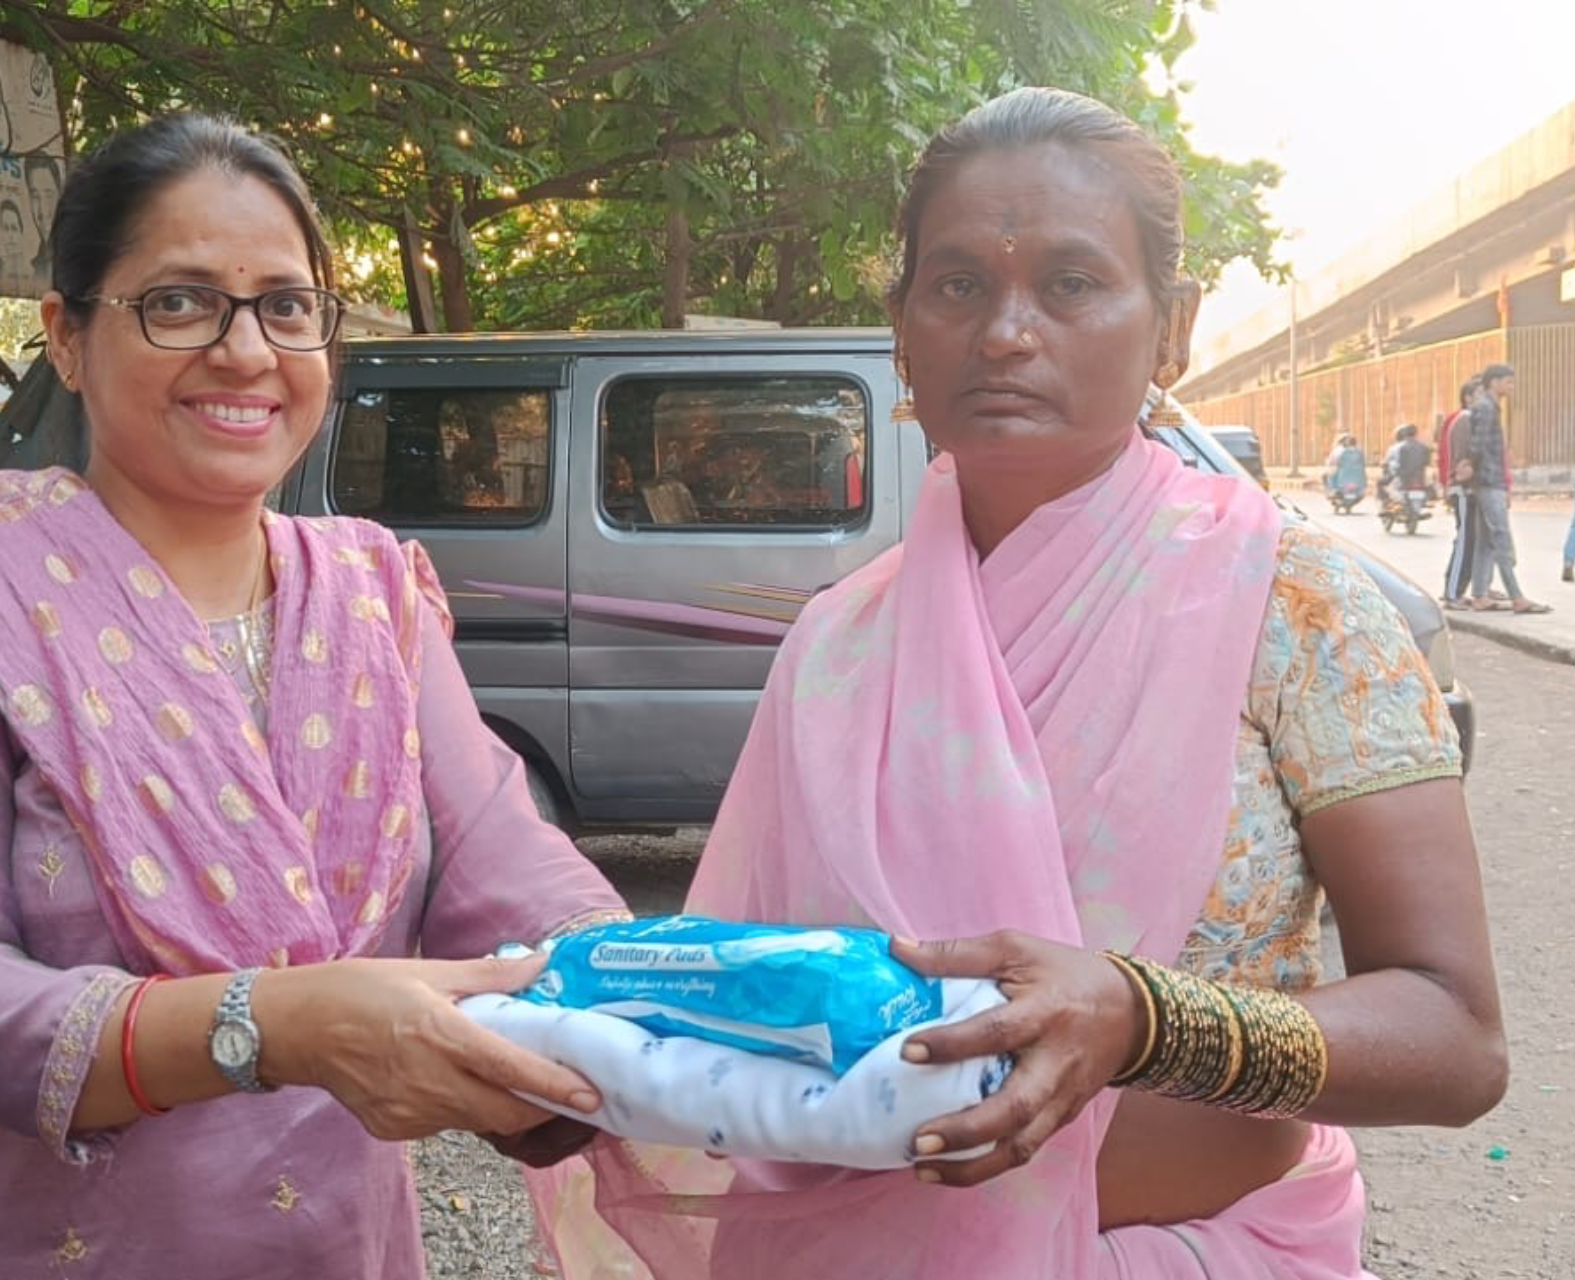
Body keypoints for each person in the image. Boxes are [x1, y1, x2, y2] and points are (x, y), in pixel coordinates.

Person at [530, 86, 1505, 1279]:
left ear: (1175, 325)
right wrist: (567, 1035)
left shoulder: (1295, 603)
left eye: (1072, 282)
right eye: (956, 285)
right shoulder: (839, 642)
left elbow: (1457, 1035)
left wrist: (1147, 1021)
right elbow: (767, 1008)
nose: (1004, 332)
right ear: (901, 329)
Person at [0, 112, 626, 1280]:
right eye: (179, 302)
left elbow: (500, 852)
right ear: (66, 334)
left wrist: (637, 986)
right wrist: (278, 1026)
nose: (245, 351)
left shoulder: (373, 589)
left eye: (286, 305)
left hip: (333, 1244)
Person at [1461, 363, 1549, 613]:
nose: (1512, 386)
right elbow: (1477, 446)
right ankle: (1517, 598)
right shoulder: (1486, 408)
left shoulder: (1488, 407)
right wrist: (1471, 466)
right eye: (1508, 382)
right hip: (1490, 482)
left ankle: (1480, 596)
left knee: (1485, 541)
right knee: (1501, 539)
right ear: (1494, 382)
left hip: (1486, 481)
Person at [1439, 376, 1482, 605]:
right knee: (1465, 540)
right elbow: (1462, 459)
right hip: (1464, 489)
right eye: (1480, 395)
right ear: (1468, 398)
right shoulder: (1465, 419)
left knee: (1470, 540)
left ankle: (1458, 590)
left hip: (1469, 489)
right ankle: (1452, 593)